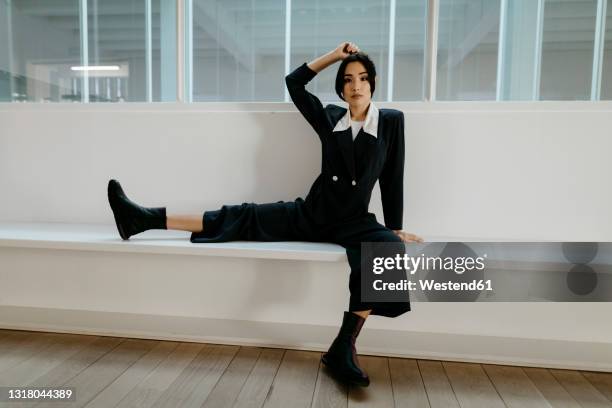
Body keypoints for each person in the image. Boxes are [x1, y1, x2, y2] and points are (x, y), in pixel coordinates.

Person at [107, 41, 423, 387]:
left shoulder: (391, 121)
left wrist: (395, 226)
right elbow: (294, 83)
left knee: (386, 249)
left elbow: (393, 178)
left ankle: (342, 347)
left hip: (353, 222)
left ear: (373, 84)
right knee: (243, 216)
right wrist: (335, 55)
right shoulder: (330, 117)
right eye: (348, 79)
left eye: (363, 78)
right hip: (312, 213)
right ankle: (142, 218)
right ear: (341, 87)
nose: (356, 85)